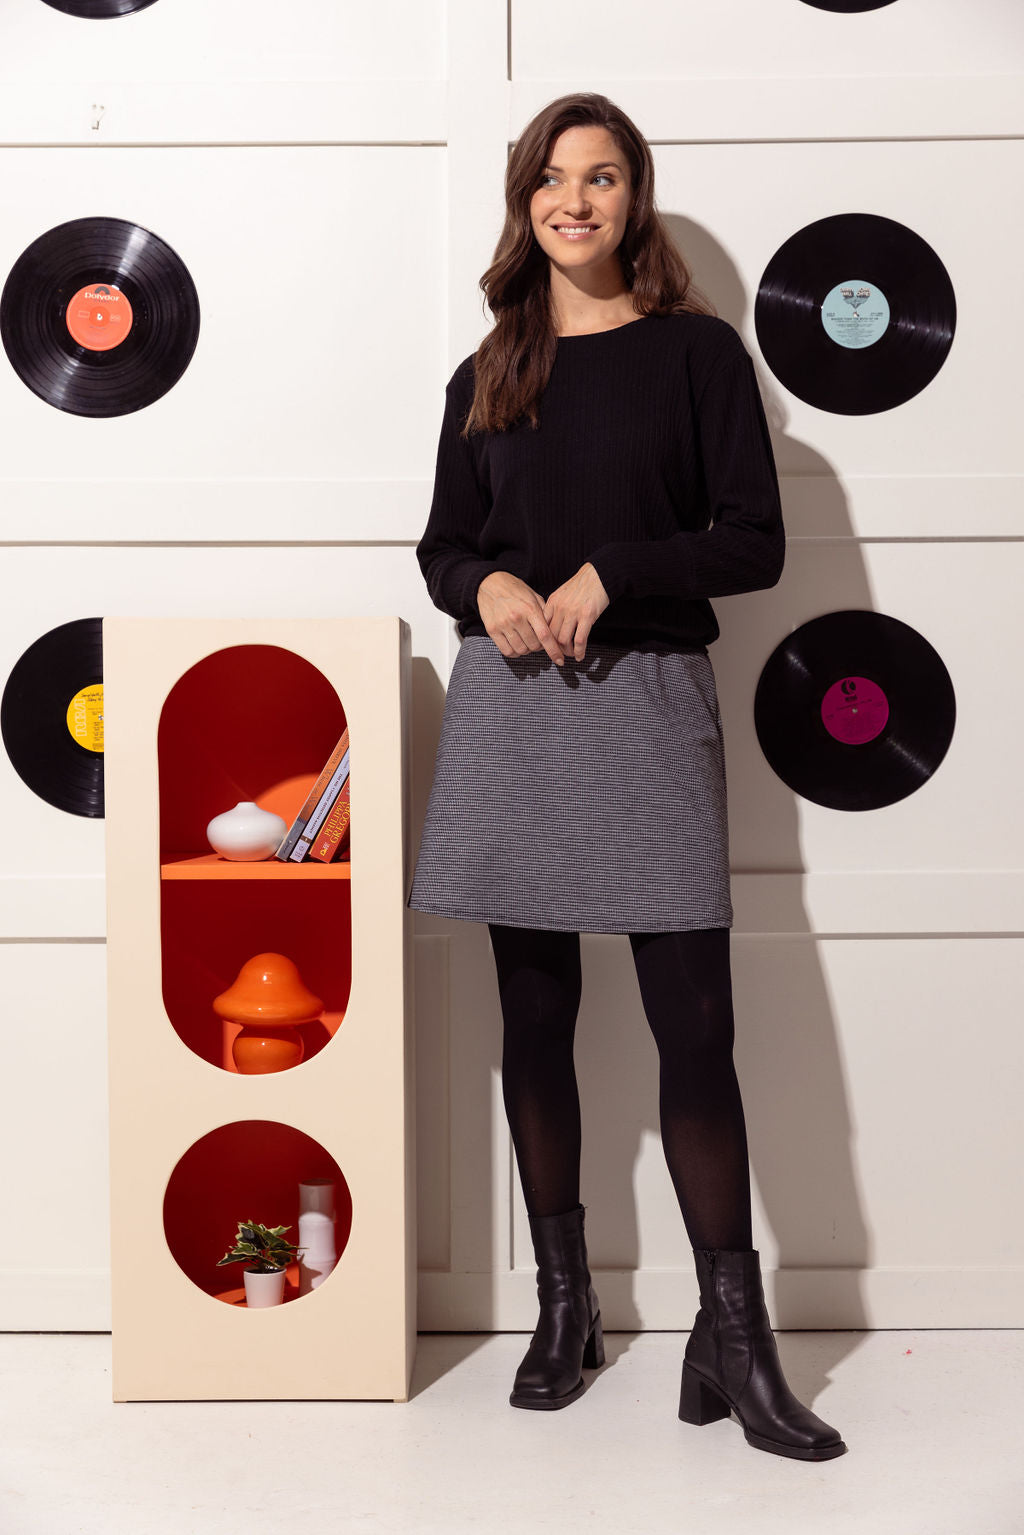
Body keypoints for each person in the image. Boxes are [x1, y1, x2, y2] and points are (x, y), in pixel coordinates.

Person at [406, 92, 846, 1462]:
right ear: (522, 198)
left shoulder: (699, 357)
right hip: (515, 710)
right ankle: (564, 1309)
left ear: (635, 199)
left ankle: (736, 1338)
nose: (576, 201)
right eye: (554, 177)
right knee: (533, 1020)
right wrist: (485, 586)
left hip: (648, 701)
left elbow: (752, 543)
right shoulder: (485, 373)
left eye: (603, 178)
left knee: (693, 1029)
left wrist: (617, 571)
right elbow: (439, 549)